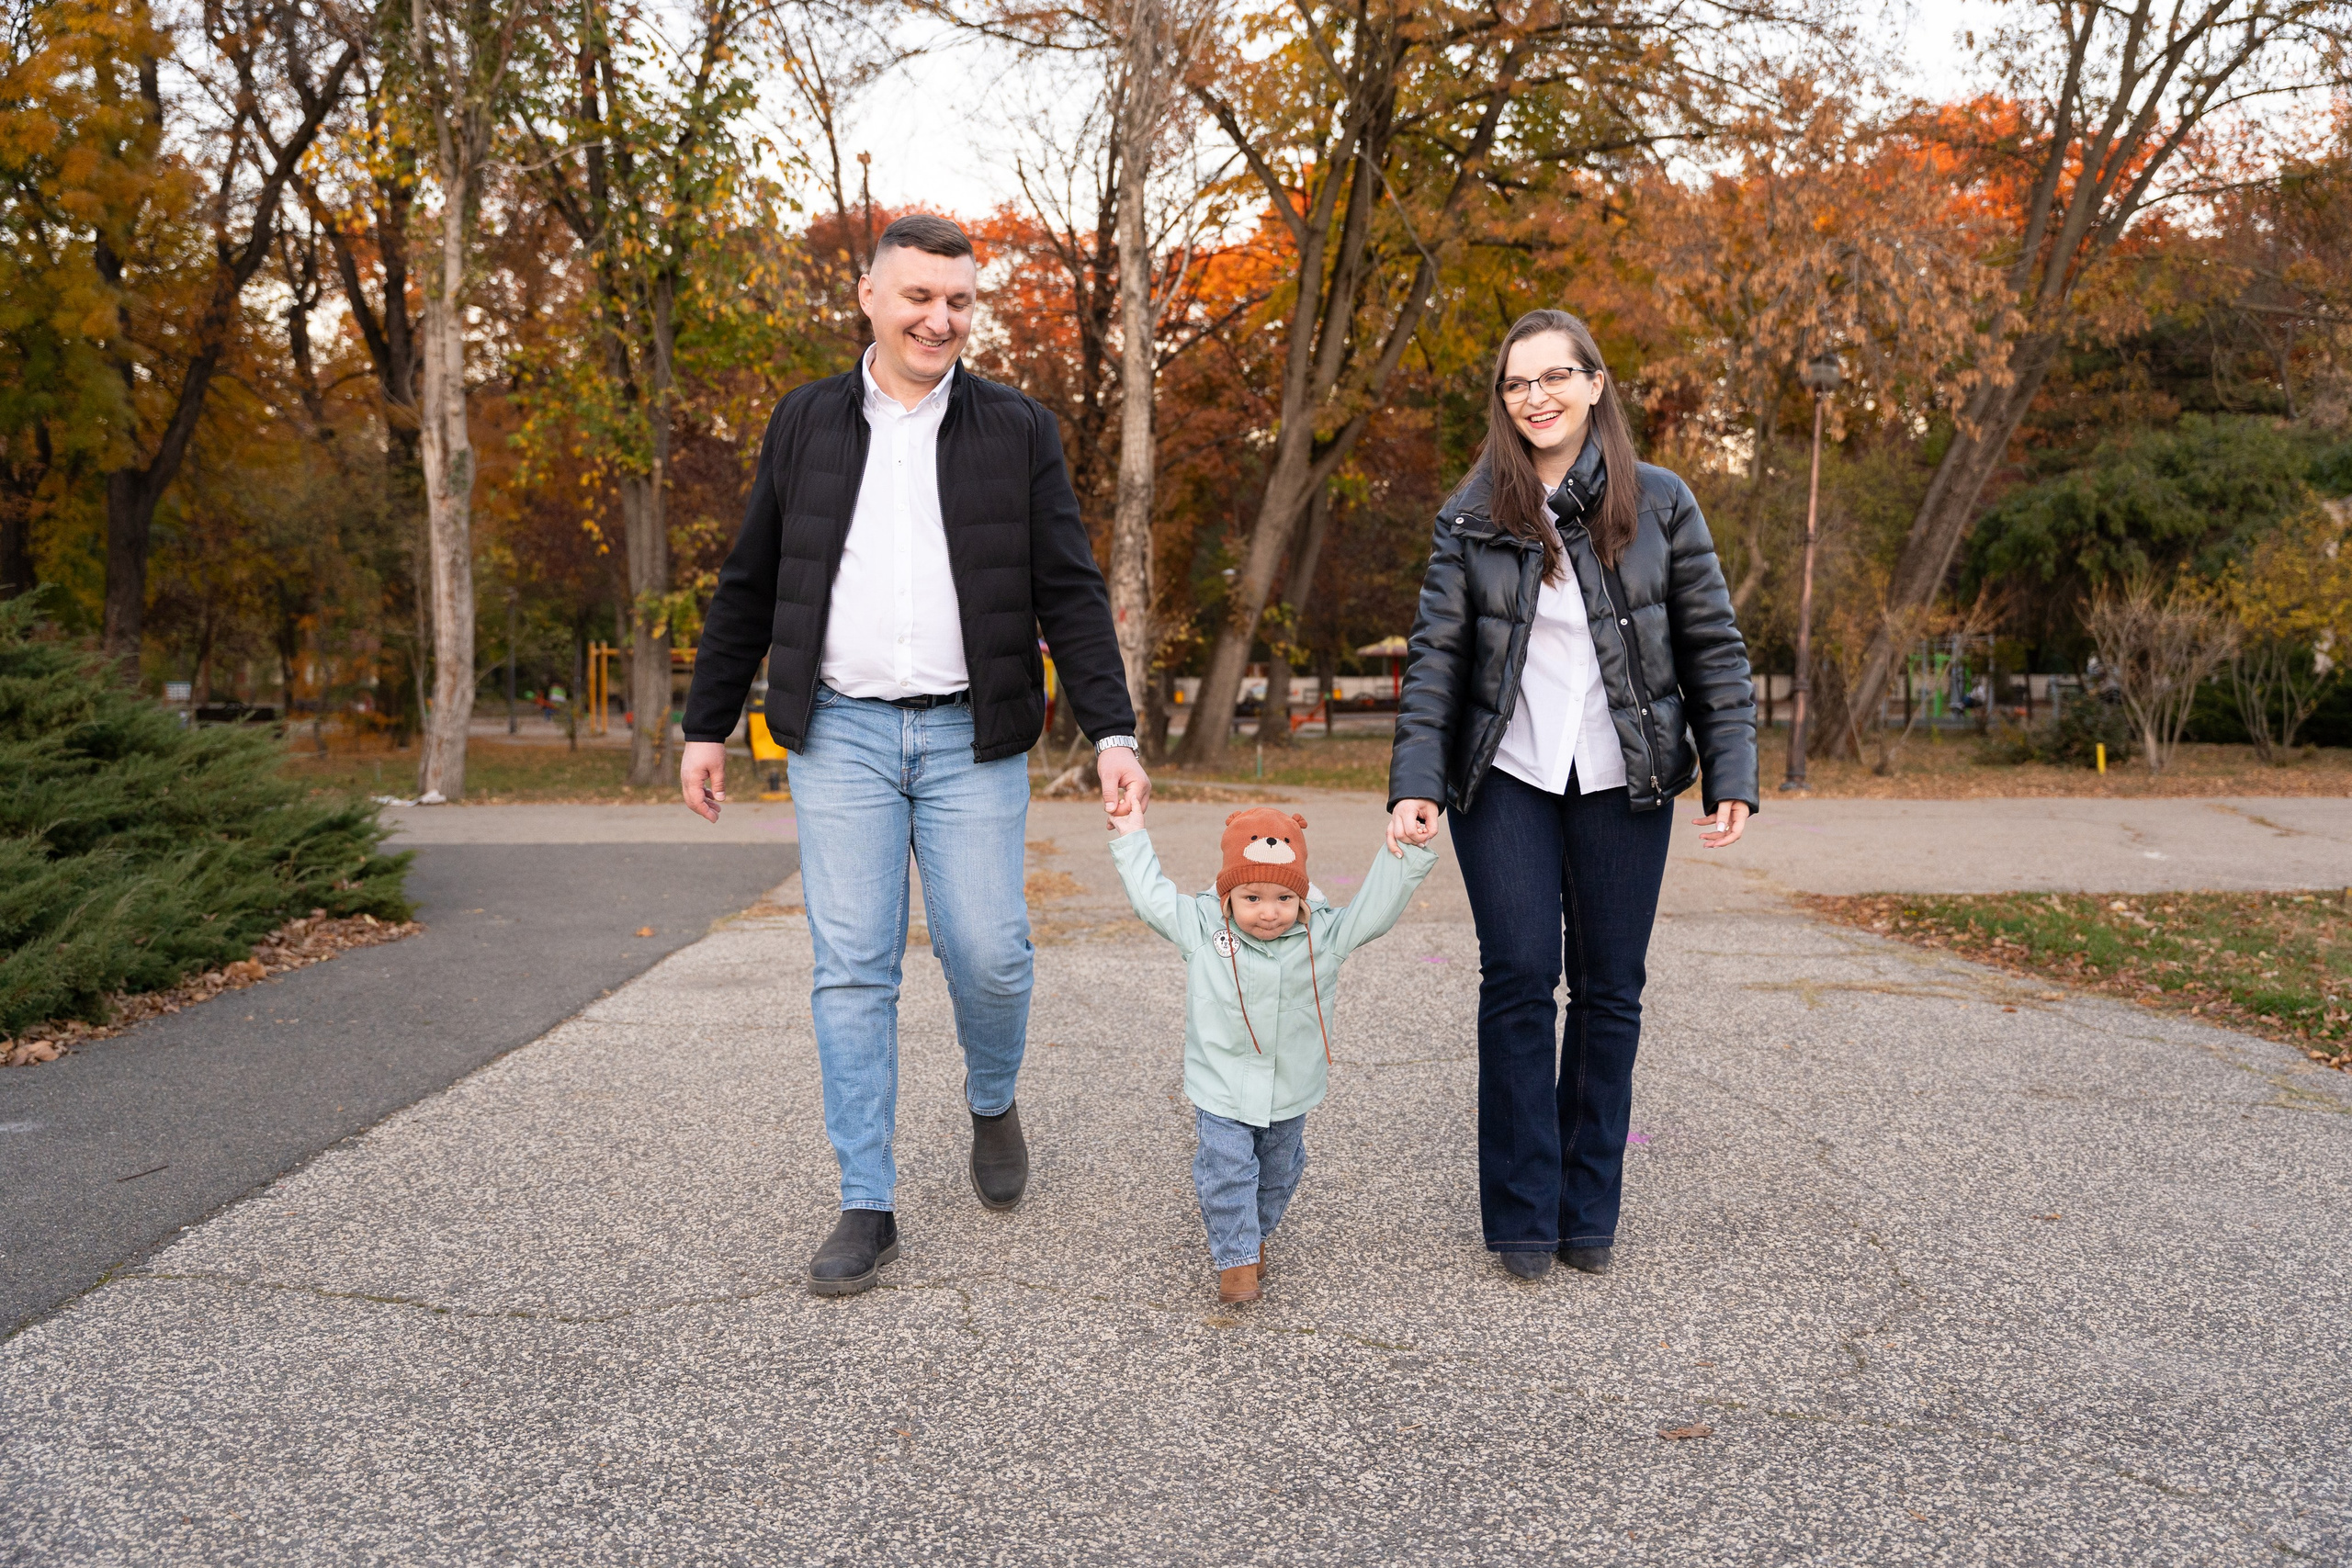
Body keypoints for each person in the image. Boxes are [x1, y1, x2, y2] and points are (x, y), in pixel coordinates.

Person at [677, 214, 1150, 1297]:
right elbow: (750, 582)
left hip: (969, 731)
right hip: (837, 730)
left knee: (989, 951)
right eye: (918, 297)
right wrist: (707, 723)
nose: (940, 318)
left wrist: (1112, 729)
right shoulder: (804, 422)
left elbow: (1070, 588)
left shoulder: (1014, 429)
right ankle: (867, 1200)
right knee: (852, 966)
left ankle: (992, 1098)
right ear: (868, 297)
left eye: (959, 301)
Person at [1385, 308, 1757, 1281]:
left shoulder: (1663, 503)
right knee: (1515, 979)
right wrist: (1416, 783)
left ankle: (1586, 1210)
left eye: (1554, 377)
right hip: (1503, 777)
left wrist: (1733, 772)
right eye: (1516, 383)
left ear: (1596, 384)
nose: (1535, 397)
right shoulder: (1471, 513)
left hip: (1623, 781)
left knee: (1607, 990)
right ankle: (1518, 1217)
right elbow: (1437, 661)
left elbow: (1712, 646)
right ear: (1502, 402)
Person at [1107, 804, 1436, 1303]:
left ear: (1301, 897)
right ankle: (1236, 1259)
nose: (1268, 911)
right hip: (1220, 1086)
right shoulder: (1202, 930)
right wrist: (1131, 834)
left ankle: (1253, 1233)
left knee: (1279, 1170)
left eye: (1284, 897)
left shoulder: (1323, 937)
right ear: (1228, 895)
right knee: (1227, 1167)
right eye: (1252, 897)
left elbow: (1375, 908)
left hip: (1291, 1087)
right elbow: (1151, 898)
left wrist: (1406, 851)